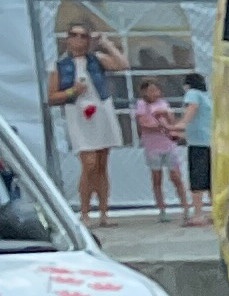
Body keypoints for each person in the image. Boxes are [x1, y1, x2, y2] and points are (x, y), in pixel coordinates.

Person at [49, 42, 117, 230]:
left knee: (102, 164)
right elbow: (52, 97)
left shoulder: (97, 60)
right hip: (78, 114)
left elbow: (122, 64)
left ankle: (104, 213)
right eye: (74, 35)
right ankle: (85, 212)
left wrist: (106, 44)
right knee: (89, 164)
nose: (78, 40)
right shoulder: (60, 65)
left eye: (82, 36)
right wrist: (73, 91)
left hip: (101, 111)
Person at [133, 80, 184, 222]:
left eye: (156, 90)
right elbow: (144, 124)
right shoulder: (141, 105)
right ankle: (162, 209)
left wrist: (166, 120)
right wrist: (163, 127)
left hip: (167, 144)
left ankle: (185, 206)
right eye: (151, 91)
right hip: (152, 146)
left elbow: (171, 121)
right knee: (157, 177)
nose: (154, 94)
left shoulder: (163, 104)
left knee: (175, 175)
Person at [180, 72, 213, 223]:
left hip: (198, 142)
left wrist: (182, 124)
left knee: (197, 178)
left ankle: (198, 213)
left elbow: (192, 108)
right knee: (211, 179)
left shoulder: (193, 94)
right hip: (210, 141)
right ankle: (215, 211)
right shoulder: (207, 97)